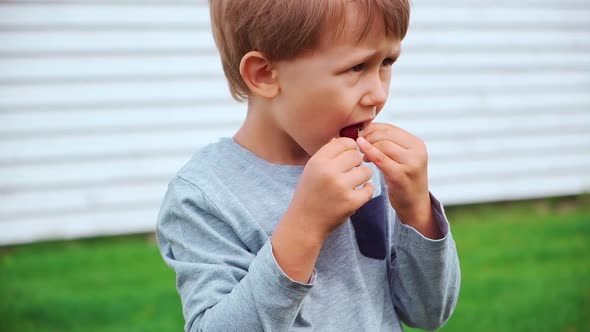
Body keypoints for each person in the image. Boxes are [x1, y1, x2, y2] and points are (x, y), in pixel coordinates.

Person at [156, 0, 461, 331]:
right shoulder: (205, 195)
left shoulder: (370, 166)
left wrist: (417, 213)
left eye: (386, 62)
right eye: (357, 67)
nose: (378, 93)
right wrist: (305, 225)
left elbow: (429, 313)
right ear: (264, 75)